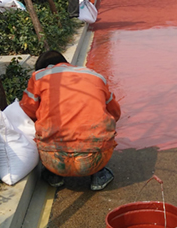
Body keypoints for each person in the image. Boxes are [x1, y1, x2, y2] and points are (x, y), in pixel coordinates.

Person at [20, 51, 121, 191]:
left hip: (53, 159)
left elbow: (27, 111)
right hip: (95, 158)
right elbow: (115, 113)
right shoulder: (96, 77)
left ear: (44, 68)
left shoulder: (39, 77)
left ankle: (54, 176)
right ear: (66, 63)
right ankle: (99, 174)